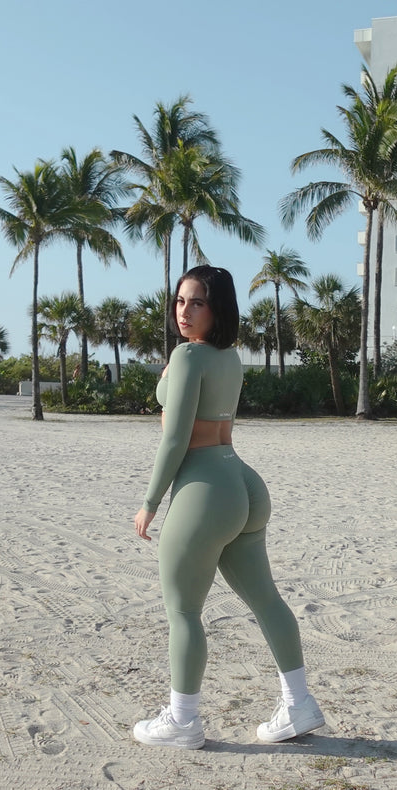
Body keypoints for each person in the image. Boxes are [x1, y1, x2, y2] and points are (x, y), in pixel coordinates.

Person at [132, 265, 323, 750]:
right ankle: (298, 703)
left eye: (196, 302)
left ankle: (183, 720)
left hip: (204, 488)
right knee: (266, 601)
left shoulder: (188, 356)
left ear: (217, 309)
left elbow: (175, 437)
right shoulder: (229, 357)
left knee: (183, 611)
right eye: (179, 301)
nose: (184, 311)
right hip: (241, 481)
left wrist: (150, 502)